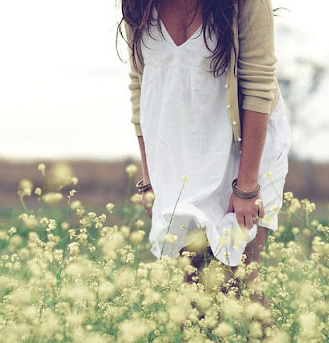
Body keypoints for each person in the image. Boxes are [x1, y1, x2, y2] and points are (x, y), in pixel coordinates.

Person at [118, 0, 291, 307]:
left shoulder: (246, 4)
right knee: (191, 290)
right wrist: (149, 178)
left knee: (240, 282)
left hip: (244, 151)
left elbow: (258, 85)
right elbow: (140, 87)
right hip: (178, 152)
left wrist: (247, 186)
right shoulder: (137, 5)